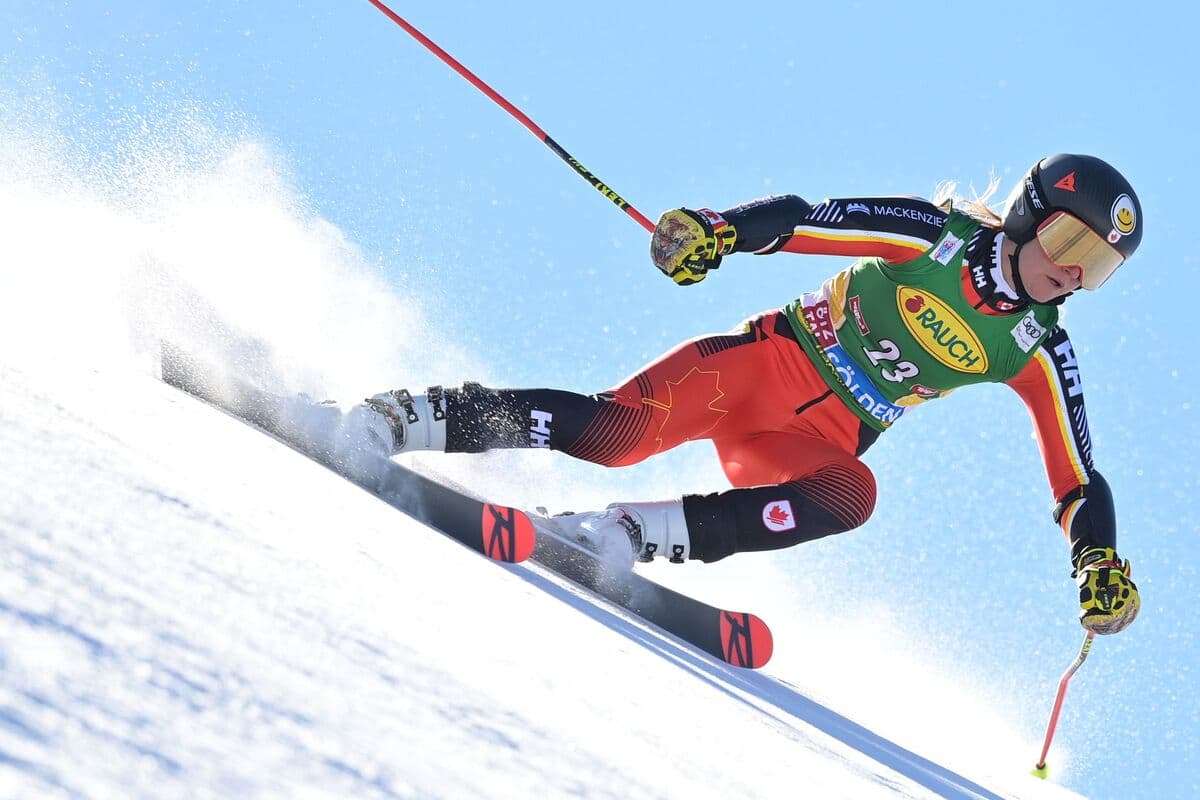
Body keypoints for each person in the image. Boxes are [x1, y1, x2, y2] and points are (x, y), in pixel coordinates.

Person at [347, 153, 1142, 635]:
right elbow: (810, 221)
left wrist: (1096, 559)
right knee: (613, 436)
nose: (1073, 271)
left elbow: (1076, 476)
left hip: (812, 440)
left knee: (852, 495)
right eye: (1071, 242)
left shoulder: (1038, 349)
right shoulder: (932, 236)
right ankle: (410, 415)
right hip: (757, 370)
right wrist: (719, 232)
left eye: (1096, 267)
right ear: (1032, 216)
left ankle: (624, 532)